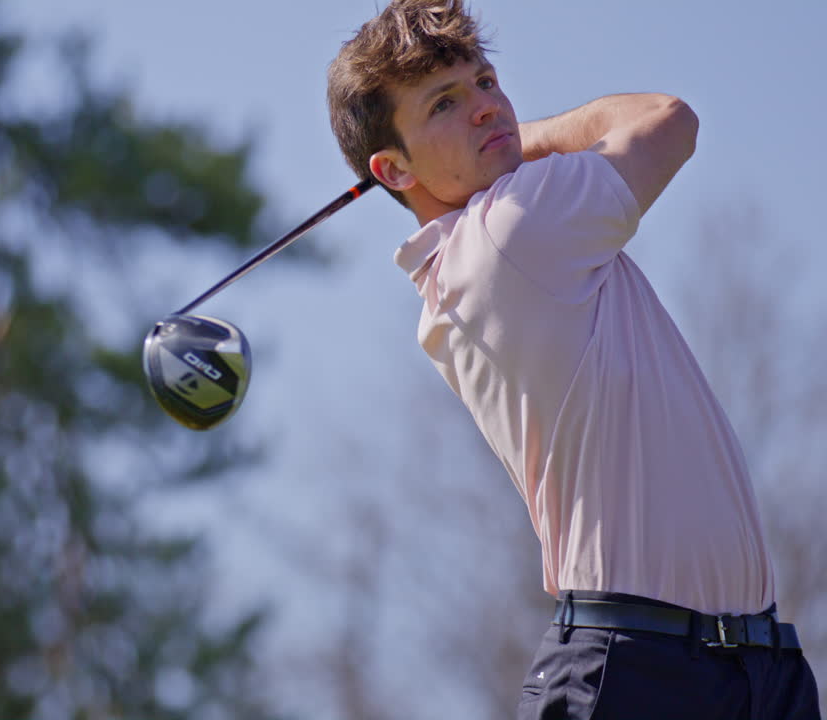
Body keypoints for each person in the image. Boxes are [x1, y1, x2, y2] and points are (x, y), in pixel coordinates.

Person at [325, 1, 821, 718]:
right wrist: (524, 141)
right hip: (639, 669)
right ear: (391, 170)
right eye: (446, 103)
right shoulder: (511, 231)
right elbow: (668, 119)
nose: (487, 109)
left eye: (487, 82)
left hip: (751, 667)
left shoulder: (481, 250)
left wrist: (487, 139)